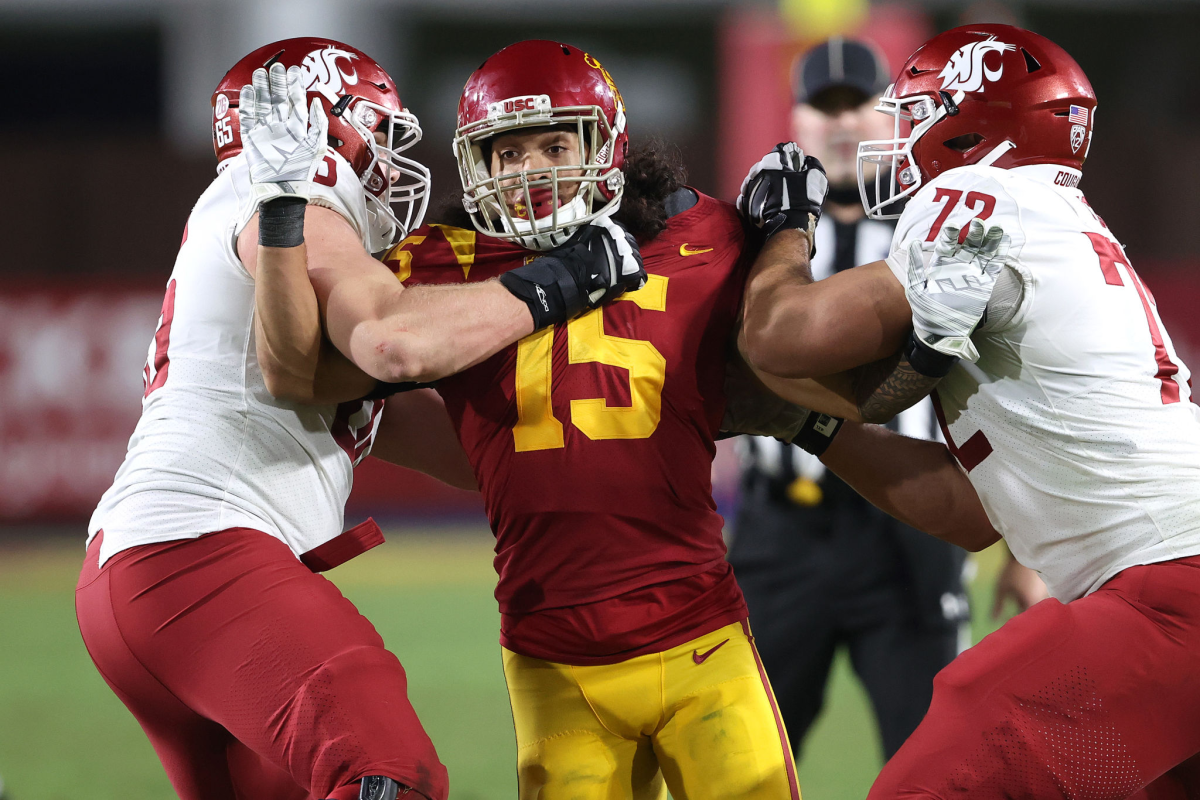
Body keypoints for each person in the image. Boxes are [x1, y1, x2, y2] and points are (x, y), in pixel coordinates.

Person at [258, 38, 848, 800]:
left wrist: (783, 236)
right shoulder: (438, 263)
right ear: (477, 164)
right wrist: (279, 215)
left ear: (605, 145)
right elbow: (302, 366)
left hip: (701, 636)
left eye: (553, 142)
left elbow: (799, 337)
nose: (531, 169)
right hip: (551, 661)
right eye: (507, 151)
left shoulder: (702, 237)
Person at [77, 37, 642, 800]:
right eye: (378, 131)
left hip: (138, 576)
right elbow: (392, 343)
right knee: (388, 773)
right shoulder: (296, 194)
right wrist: (564, 281)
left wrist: (653, 423)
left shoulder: (264, 215)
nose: (389, 161)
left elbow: (471, 449)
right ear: (324, 127)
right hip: (199, 555)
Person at [736, 23, 1200, 798]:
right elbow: (970, 511)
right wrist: (810, 424)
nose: (903, 134)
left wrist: (782, 228)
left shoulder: (978, 197)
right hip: (1168, 603)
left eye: (918, 114)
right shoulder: (1055, 220)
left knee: (933, 776)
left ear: (973, 125)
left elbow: (782, 336)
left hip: (1163, 598)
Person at [728, 37, 973, 762]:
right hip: (783, 533)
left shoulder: (938, 225)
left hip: (910, 523)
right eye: (822, 104)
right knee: (745, 764)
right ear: (797, 119)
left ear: (889, 116)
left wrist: (1023, 546)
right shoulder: (748, 236)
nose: (841, 122)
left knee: (937, 763)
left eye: (857, 103)